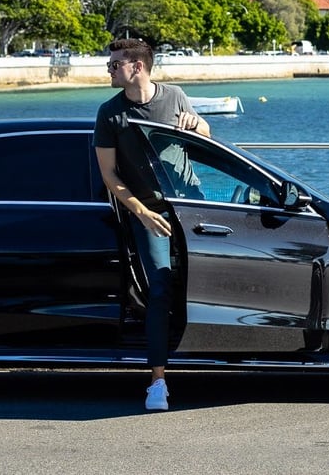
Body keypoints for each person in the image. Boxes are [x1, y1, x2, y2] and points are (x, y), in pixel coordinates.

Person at [93, 38, 210, 412]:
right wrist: (141, 212)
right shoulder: (110, 113)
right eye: (110, 64)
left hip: (191, 208)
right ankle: (158, 381)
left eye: (114, 64)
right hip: (146, 212)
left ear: (137, 67)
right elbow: (110, 175)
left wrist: (199, 125)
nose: (109, 70)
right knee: (158, 288)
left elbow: (204, 139)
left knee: (206, 285)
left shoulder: (174, 97)